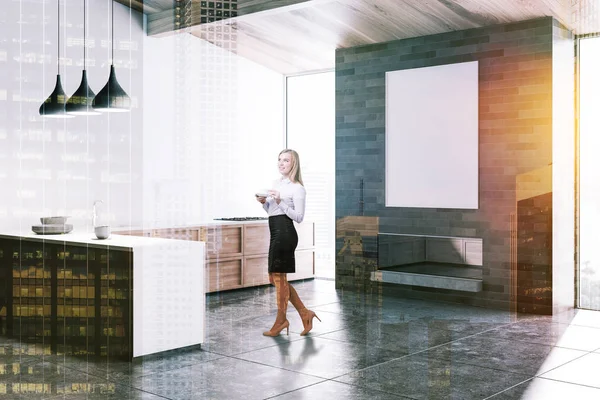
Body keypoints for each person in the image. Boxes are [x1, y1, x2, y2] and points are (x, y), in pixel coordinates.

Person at [256, 149, 321, 337]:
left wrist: (280, 201)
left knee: (278, 277)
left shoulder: (297, 188)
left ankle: (281, 320)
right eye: (279, 159)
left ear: (294, 164)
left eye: (285, 160)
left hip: (285, 233)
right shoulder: (277, 184)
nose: (281, 163)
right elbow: (272, 212)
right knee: (275, 278)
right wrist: (264, 203)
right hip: (275, 231)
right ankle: (304, 313)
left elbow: (299, 217)